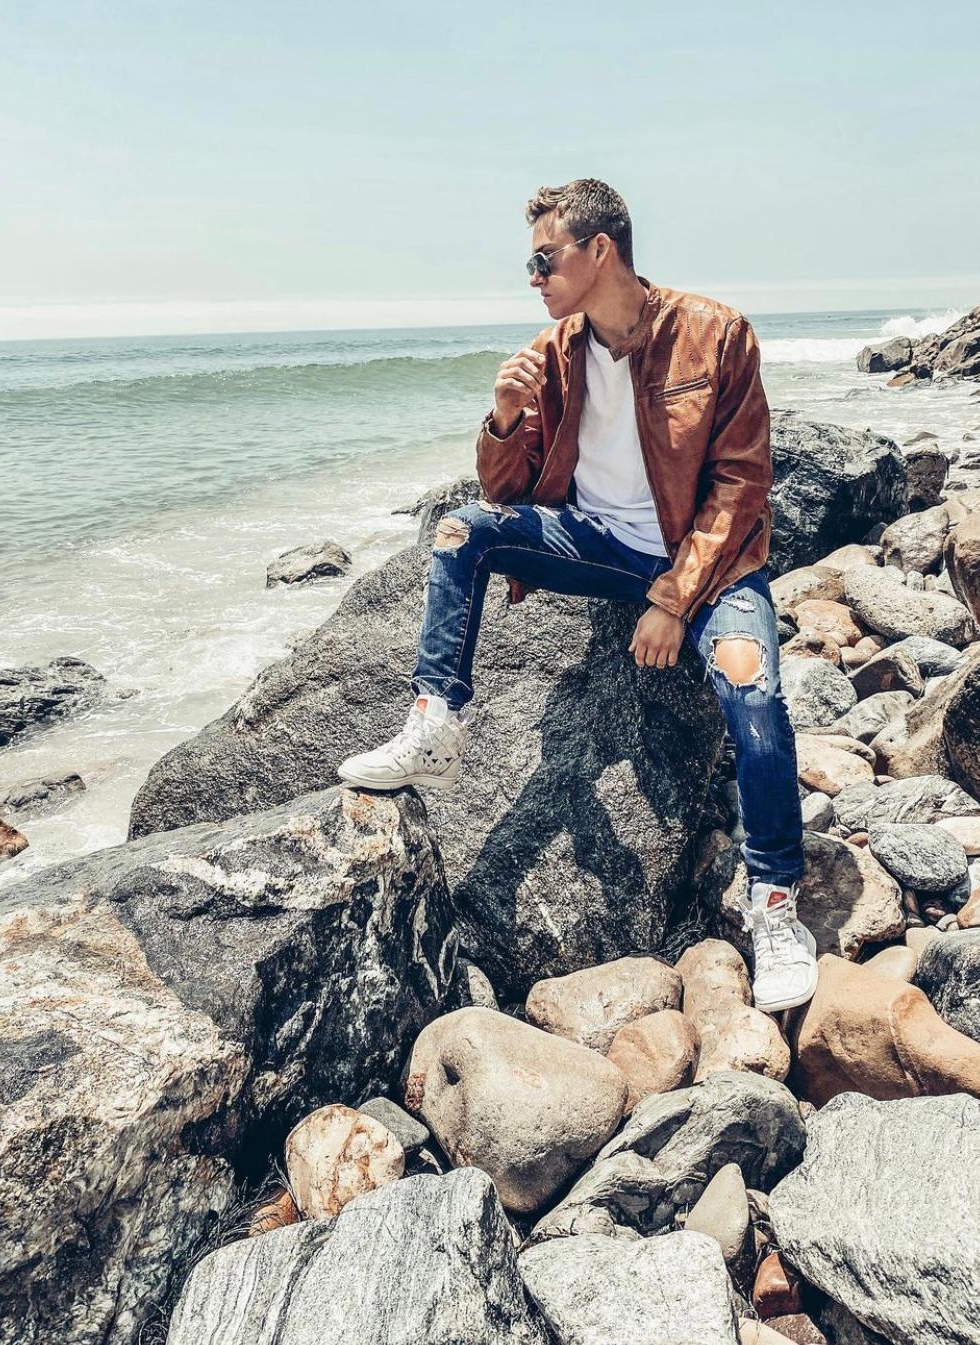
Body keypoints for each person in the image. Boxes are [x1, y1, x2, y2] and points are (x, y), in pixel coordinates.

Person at [338, 178, 817, 1013]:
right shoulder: (554, 354)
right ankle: (434, 724)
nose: (532, 276)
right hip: (596, 548)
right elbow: (508, 491)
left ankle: (775, 903)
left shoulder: (714, 333)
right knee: (458, 531)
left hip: (708, 566)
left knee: (751, 688)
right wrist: (502, 417)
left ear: (600, 251)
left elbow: (742, 484)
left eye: (543, 258)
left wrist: (672, 599)